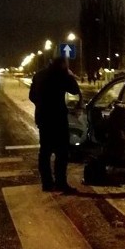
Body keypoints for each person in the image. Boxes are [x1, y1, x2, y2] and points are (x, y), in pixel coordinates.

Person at [29, 56, 82, 193]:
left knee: (45, 152)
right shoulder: (61, 75)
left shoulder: (38, 75)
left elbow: (31, 96)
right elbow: (75, 90)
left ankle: (46, 183)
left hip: (43, 118)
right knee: (61, 152)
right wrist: (69, 75)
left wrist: (41, 105)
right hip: (58, 119)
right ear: (63, 65)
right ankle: (60, 183)